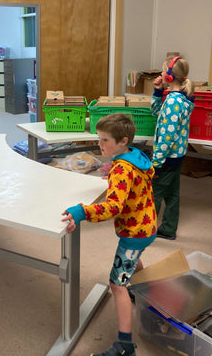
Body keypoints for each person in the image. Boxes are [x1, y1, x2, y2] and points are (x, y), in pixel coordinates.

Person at [62, 113, 156, 356]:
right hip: (147, 225)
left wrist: (82, 211)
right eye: (99, 138)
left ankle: (125, 346)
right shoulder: (135, 157)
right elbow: (137, 179)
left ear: (123, 140)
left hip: (135, 232)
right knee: (133, 261)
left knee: (117, 285)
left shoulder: (122, 169)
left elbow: (113, 208)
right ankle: (150, 300)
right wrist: (116, 177)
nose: (99, 145)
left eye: (105, 140)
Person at [151, 56, 195, 240]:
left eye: (163, 71)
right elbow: (155, 112)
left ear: (169, 76)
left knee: (153, 194)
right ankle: (168, 228)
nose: (160, 73)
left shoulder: (173, 103)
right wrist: (157, 91)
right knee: (172, 193)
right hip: (176, 156)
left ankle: (145, 230)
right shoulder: (180, 98)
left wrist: (157, 163)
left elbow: (166, 139)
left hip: (166, 159)